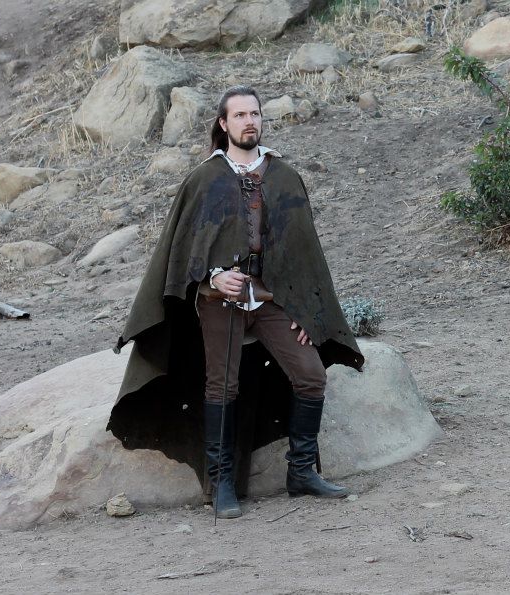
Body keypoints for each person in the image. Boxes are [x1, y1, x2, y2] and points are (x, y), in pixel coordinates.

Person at [108, 85, 364, 519]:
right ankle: (222, 481)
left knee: (310, 375)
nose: (249, 122)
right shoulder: (205, 179)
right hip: (219, 302)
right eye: (240, 115)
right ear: (223, 124)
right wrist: (214, 276)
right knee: (221, 385)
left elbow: (304, 254)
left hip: (269, 300)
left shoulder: (284, 176)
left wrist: (306, 311)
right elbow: (184, 249)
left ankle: (301, 471)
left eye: (255, 114)